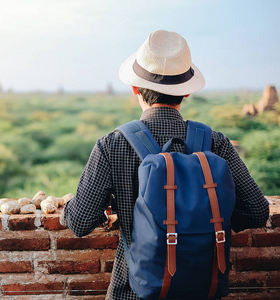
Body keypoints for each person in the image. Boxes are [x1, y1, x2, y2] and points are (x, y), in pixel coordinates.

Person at [60, 30, 270, 299]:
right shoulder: (216, 143)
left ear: (135, 88)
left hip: (135, 289)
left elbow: (80, 222)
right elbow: (256, 211)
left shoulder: (112, 144)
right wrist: (207, 218)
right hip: (203, 287)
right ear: (186, 93)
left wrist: (72, 210)